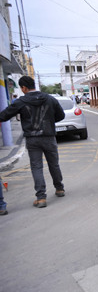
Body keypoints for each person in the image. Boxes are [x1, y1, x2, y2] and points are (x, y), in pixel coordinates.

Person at [0, 76, 65, 208]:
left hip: (32, 138)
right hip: (49, 136)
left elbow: (4, 116)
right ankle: (59, 189)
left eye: (21, 88)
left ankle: (41, 198)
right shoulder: (50, 98)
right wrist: (49, 123)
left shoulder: (21, 101)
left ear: (24, 88)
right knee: (54, 164)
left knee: (37, 167)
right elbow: (61, 115)